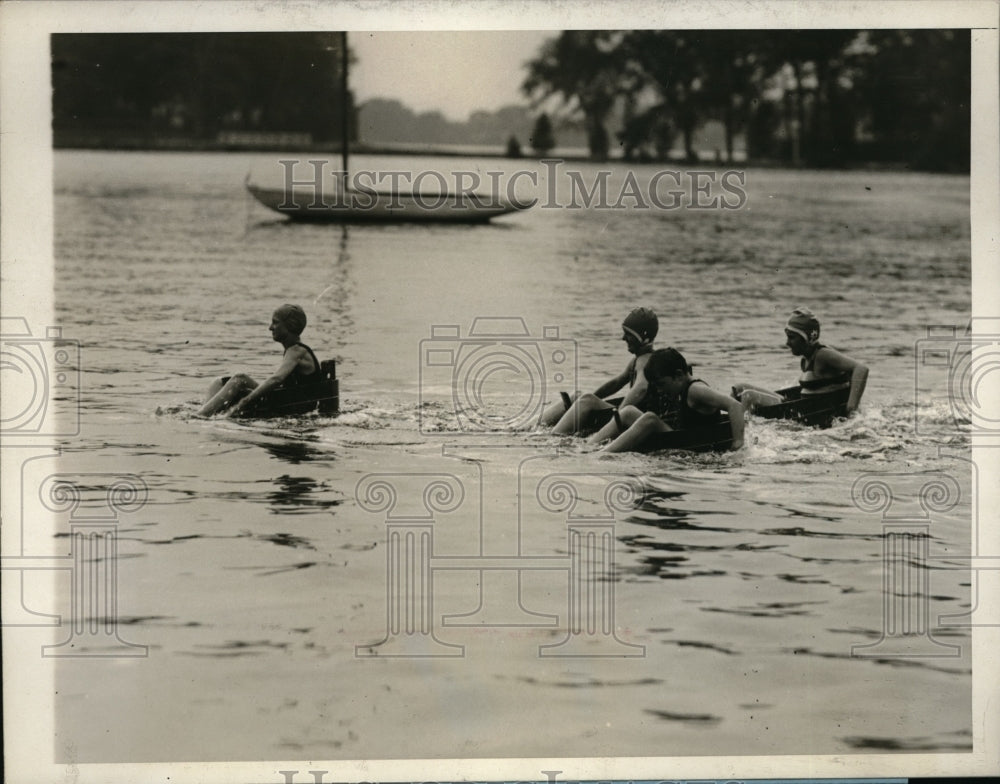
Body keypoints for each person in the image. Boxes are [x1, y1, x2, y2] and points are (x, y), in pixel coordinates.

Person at [591, 347, 745, 453]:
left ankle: (605, 453)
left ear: (678, 375)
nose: (659, 390)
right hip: (681, 435)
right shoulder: (680, 387)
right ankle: (590, 445)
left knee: (650, 419)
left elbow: (735, 405)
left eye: (661, 385)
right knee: (629, 411)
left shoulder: (695, 390)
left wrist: (738, 444)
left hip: (689, 442)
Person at [539, 307, 660, 435]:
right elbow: (615, 383)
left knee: (586, 400)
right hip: (631, 413)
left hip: (632, 417)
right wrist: (593, 399)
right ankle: (531, 427)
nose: (623, 338)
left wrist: (618, 414)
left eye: (628, 334)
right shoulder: (638, 360)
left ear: (643, 338)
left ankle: (553, 436)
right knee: (579, 397)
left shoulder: (645, 361)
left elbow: (641, 388)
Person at [733, 307, 869, 415]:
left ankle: (741, 430)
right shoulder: (806, 358)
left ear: (806, 338)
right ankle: (731, 418)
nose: (787, 343)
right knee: (739, 388)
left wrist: (851, 408)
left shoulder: (823, 354)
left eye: (792, 338)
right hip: (796, 404)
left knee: (748, 396)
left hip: (803, 410)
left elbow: (861, 369)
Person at [197, 304, 325, 418]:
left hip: (292, 406)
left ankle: (202, 416)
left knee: (240, 379)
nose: (270, 328)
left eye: (275, 323)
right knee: (219, 382)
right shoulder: (294, 350)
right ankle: (205, 413)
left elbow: (276, 379)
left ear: (289, 326)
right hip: (285, 400)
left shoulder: (297, 351)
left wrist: (245, 400)